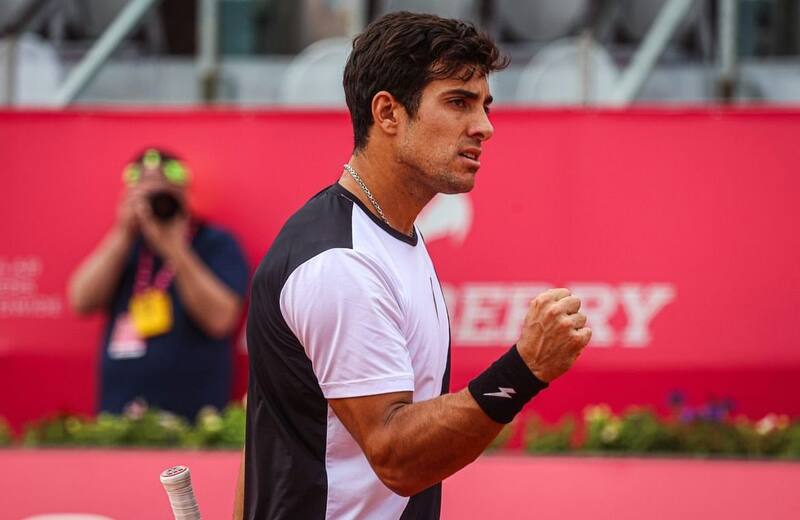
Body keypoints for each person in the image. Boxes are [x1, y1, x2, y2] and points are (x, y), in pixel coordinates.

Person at [242, 12, 591, 519]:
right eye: (458, 102)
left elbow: (267, 429)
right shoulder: (341, 263)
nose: (485, 127)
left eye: (485, 105)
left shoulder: (390, 234)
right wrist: (525, 369)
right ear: (388, 113)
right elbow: (397, 458)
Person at [68, 148, 249, 421]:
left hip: (195, 419)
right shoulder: (126, 244)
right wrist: (122, 233)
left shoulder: (215, 242)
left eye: (164, 193)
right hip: (119, 417)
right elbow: (81, 300)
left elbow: (220, 319)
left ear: (184, 193)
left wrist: (175, 248)